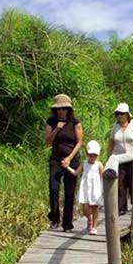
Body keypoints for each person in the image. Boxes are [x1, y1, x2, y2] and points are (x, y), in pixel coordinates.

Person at [44, 94, 83, 232]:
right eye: (58, 109)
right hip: (56, 159)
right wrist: (57, 129)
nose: (61, 111)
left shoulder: (75, 122)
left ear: (68, 109)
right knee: (53, 189)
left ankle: (67, 224)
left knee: (69, 192)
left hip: (71, 159)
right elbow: (47, 141)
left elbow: (79, 142)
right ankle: (55, 219)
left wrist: (69, 158)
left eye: (64, 109)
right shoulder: (51, 122)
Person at [108, 103, 133, 215]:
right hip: (119, 158)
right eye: (117, 114)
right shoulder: (115, 127)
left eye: (121, 114)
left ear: (127, 115)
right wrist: (109, 157)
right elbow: (111, 142)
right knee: (120, 183)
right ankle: (121, 207)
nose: (119, 116)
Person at [66, 140, 103, 235]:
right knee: (85, 207)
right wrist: (67, 167)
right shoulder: (84, 164)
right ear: (87, 154)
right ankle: (89, 219)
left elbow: (102, 177)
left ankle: (94, 227)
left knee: (95, 208)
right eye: (90, 155)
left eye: (95, 155)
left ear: (98, 155)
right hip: (86, 188)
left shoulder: (99, 165)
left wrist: (103, 189)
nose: (92, 157)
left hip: (95, 189)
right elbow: (76, 173)